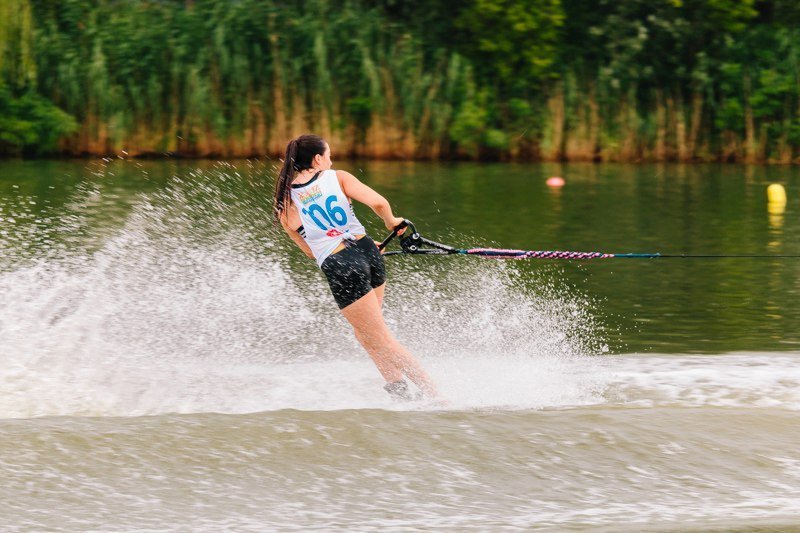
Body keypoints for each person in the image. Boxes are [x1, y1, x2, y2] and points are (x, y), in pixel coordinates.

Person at [273, 134, 438, 401]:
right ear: (317, 159)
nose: (330, 160)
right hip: (368, 251)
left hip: (341, 264)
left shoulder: (285, 203)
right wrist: (391, 222)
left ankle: (437, 397)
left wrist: (338, 247)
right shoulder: (338, 177)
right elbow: (380, 204)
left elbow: (310, 251)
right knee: (367, 335)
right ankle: (399, 391)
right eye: (328, 155)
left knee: (380, 338)